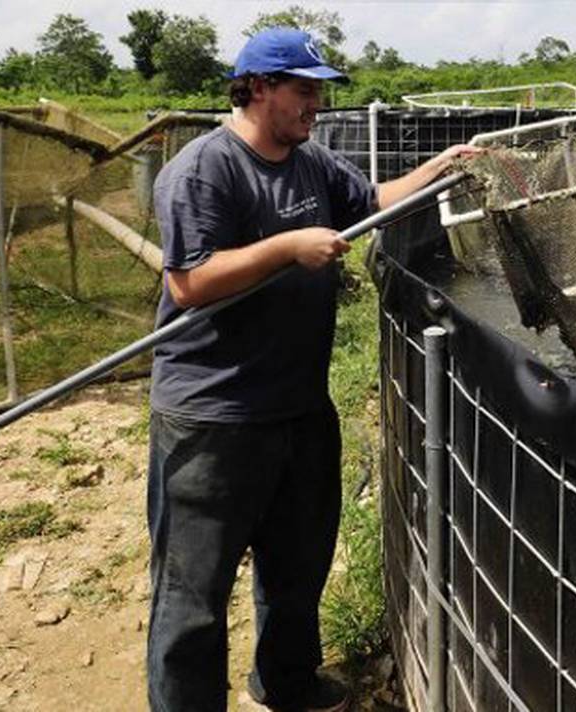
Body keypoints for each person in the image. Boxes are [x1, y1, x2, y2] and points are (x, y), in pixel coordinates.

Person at [146, 27, 475, 712]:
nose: (315, 104)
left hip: (298, 406)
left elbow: (375, 203)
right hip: (213, 416)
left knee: (296, 569)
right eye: (304, 90)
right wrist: (287, 246)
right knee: (193, 593)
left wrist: (443, 166)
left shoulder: (312, 163)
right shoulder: (204, 169)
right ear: (259, 88)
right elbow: (190, 283)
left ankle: (285, 684)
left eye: (319, 91)